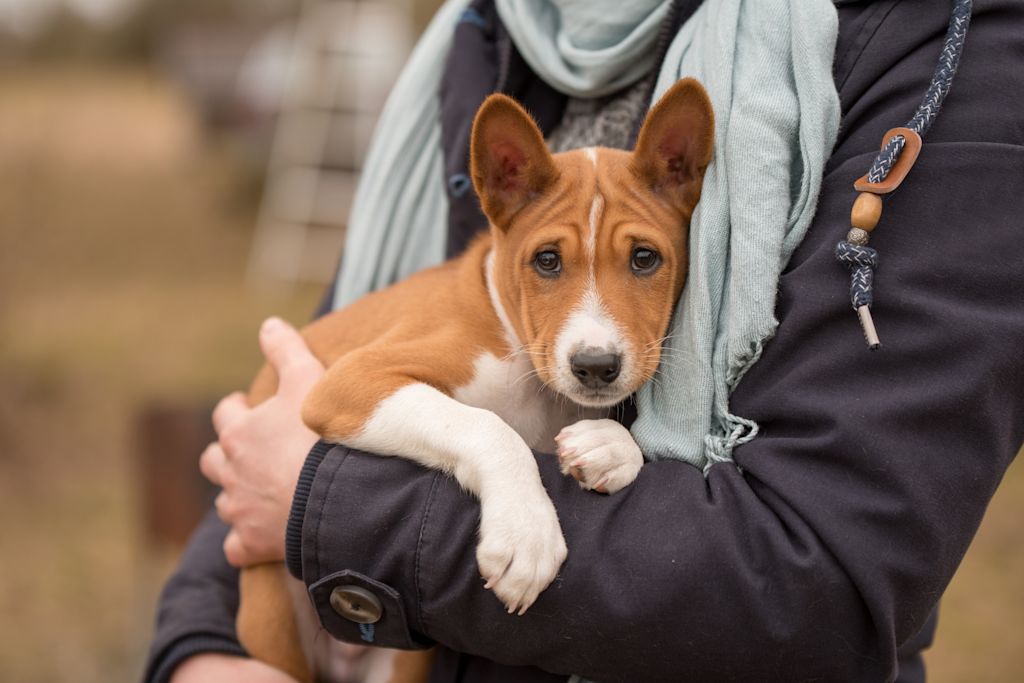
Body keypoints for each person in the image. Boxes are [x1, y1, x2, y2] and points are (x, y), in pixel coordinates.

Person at [143, 0, 1024, 681]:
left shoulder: (946, 55)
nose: (595, 334)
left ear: (687, 175)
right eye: (553, 265)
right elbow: (279, 433)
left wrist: (324, 498)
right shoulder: (490, 29)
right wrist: (197, 641)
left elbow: (818, 570)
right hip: (302, 588)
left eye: (642, 258)